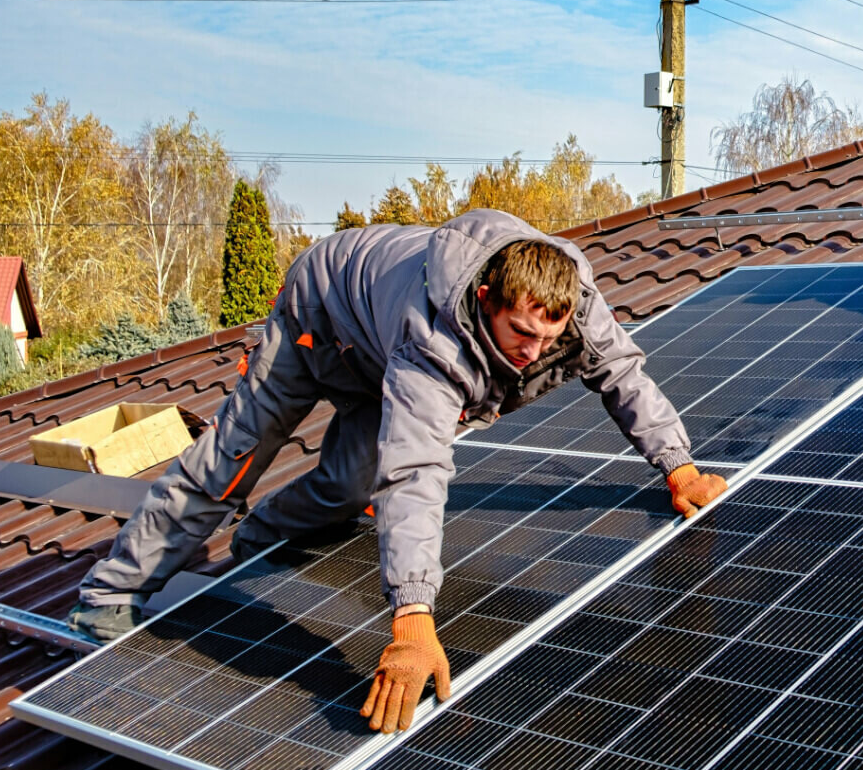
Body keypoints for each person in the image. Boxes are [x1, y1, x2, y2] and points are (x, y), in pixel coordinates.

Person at [65, 209, 728, 733]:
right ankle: (108, 595)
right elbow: (416, 470)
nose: (532, 353)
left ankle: (263, 536)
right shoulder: (432, 336)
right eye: (519, 332)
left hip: (375, 341)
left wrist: (679, 466)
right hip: (321, 319)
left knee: (353, 483)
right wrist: (412, 617)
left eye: (547, 339)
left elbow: (624, 377)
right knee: (233, 459)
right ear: (485, 296)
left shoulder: (570, 302)